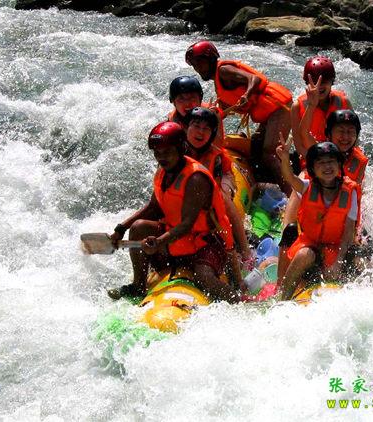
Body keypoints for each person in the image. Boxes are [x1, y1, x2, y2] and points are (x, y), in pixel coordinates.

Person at [108, 121, 240, 303]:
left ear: (180, 148)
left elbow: (187, 225)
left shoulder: (195, 178)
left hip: (206, 242)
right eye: (157, 153)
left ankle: (239, 302)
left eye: (167, 152)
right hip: (178, 240)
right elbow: (153, 208)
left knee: (204, 277)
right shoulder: (163, 172)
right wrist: (121, 228)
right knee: (138, 227)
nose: (161, 158)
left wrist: (159, 242)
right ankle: (138, 285)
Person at [185, 40, 293, 194]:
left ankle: (292, 194)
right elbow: (223, 109)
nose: (198, 68)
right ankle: (266, 184)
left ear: (211, 59)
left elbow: (254, 79)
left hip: (278, 108)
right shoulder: (218, 81)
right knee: (256, 146)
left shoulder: (224, 71)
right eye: (195, 65)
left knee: (269, 153)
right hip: (269, 112)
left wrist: (247, 94)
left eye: (200, 63)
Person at [276, 140, 360, 301]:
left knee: (359, 259)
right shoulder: (307, 186)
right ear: (313, 169)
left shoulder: (350, 192)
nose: (327, 167)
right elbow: (290, 177)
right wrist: (285, 159)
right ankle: (282, 299)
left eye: (331, 162)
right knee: (303, 255)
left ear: (339, 164)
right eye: (321, 163)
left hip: (336, 246)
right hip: (310, 243)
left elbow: (348, 233)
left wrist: (338, 262)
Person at [185, 107, 254, 282]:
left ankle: (245, 251)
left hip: (223, 176)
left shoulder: (214, 156)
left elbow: (211, 191)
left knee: (222, 200)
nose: (200, 132)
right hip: (193, 188)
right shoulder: (176, 151)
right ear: (186, 128)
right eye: (196, 126)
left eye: (206, 129)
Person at [290, 56, 352, 157]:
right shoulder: (297, 107)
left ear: (332, 82)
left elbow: (353, 136)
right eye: (314, 82)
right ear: (307, 83)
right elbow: (300, 147)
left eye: (324, 81)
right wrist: (320, 162)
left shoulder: (343, 102)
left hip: (339, 153)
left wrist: (340, 160)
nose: (319, 86)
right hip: (312, 155)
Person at [167, 75, 225, 144]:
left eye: (192, 98)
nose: (187, 103)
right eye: (181, 99)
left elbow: (218, 145)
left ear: (200, 99)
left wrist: (216, 120)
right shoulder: (173, 122)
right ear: (174, 102)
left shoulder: (211, 113)